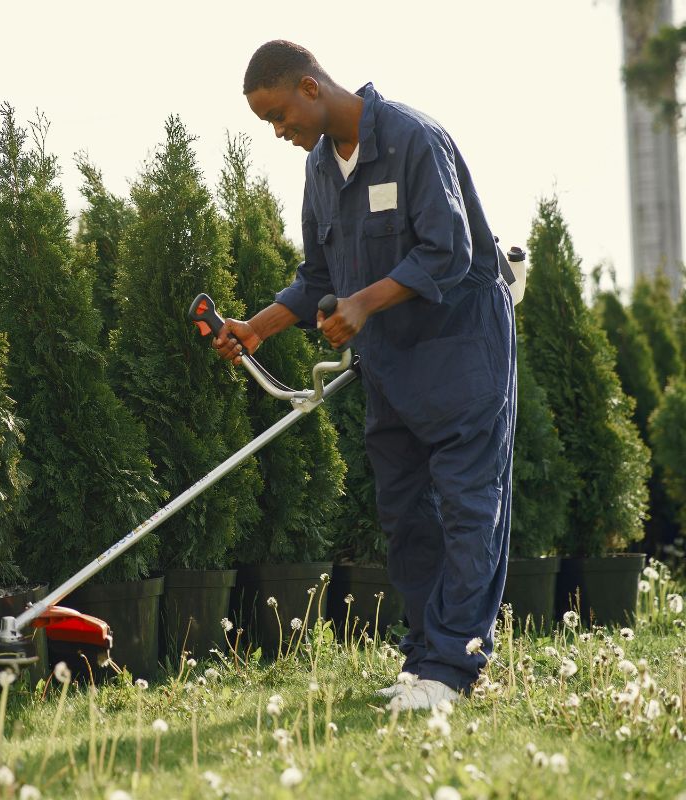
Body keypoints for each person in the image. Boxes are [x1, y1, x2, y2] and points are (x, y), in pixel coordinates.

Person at [215, 40, 516, 711]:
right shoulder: (321, 169)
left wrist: (362, 303)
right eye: (267, 122)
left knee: (470, 508)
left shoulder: (413, 139)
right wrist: (257, 326)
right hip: (392, 363)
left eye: (279, 114)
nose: (279, 131)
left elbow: (449, 250)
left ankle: (453, 669)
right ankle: (422, 663)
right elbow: (318, 278)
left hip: (461, 349)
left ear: (311, 87)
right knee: (406, 514)